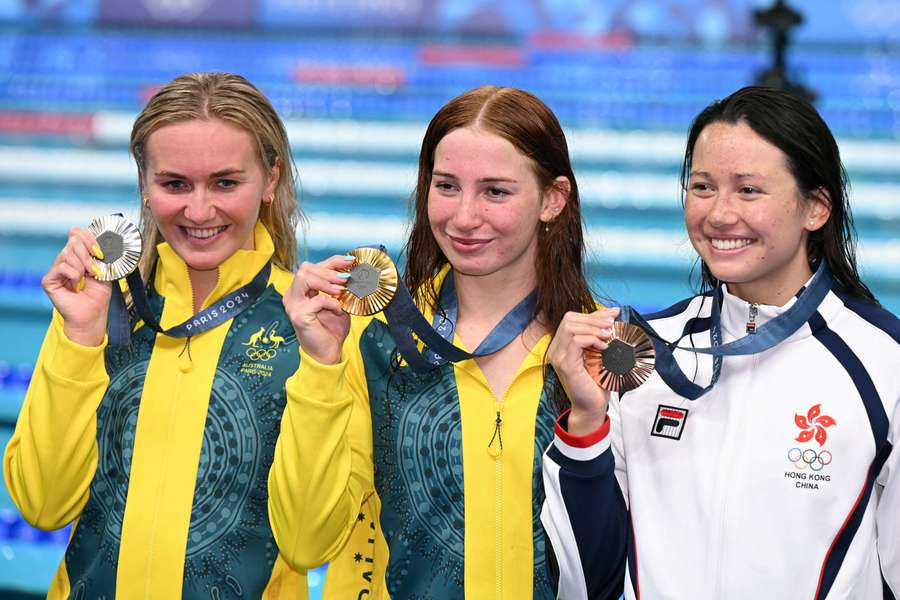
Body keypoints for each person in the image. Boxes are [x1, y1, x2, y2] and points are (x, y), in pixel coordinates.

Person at [269, 85, 628, 599]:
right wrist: (321, 366)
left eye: (495, 191)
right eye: (446, 186)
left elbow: (627, 565)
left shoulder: (605, 354)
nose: (462, 218)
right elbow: (305, 541)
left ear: (553, 199)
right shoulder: (374, 342)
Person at [542, 86, 900, 599]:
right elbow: (586, 584)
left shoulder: (883, 364)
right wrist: (585, 423)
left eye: (749, 190)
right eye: (703, 186)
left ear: (816, 208)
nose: (718, 214)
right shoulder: (643, 353)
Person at [3, 72, 313, 598]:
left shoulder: (310, 326)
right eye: (174, 184)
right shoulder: (98, 307)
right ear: (145, 185)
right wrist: (79, 338)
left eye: (225, 182)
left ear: (270, 180)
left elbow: (311, 541)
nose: (198, 210)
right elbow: (42, 502)